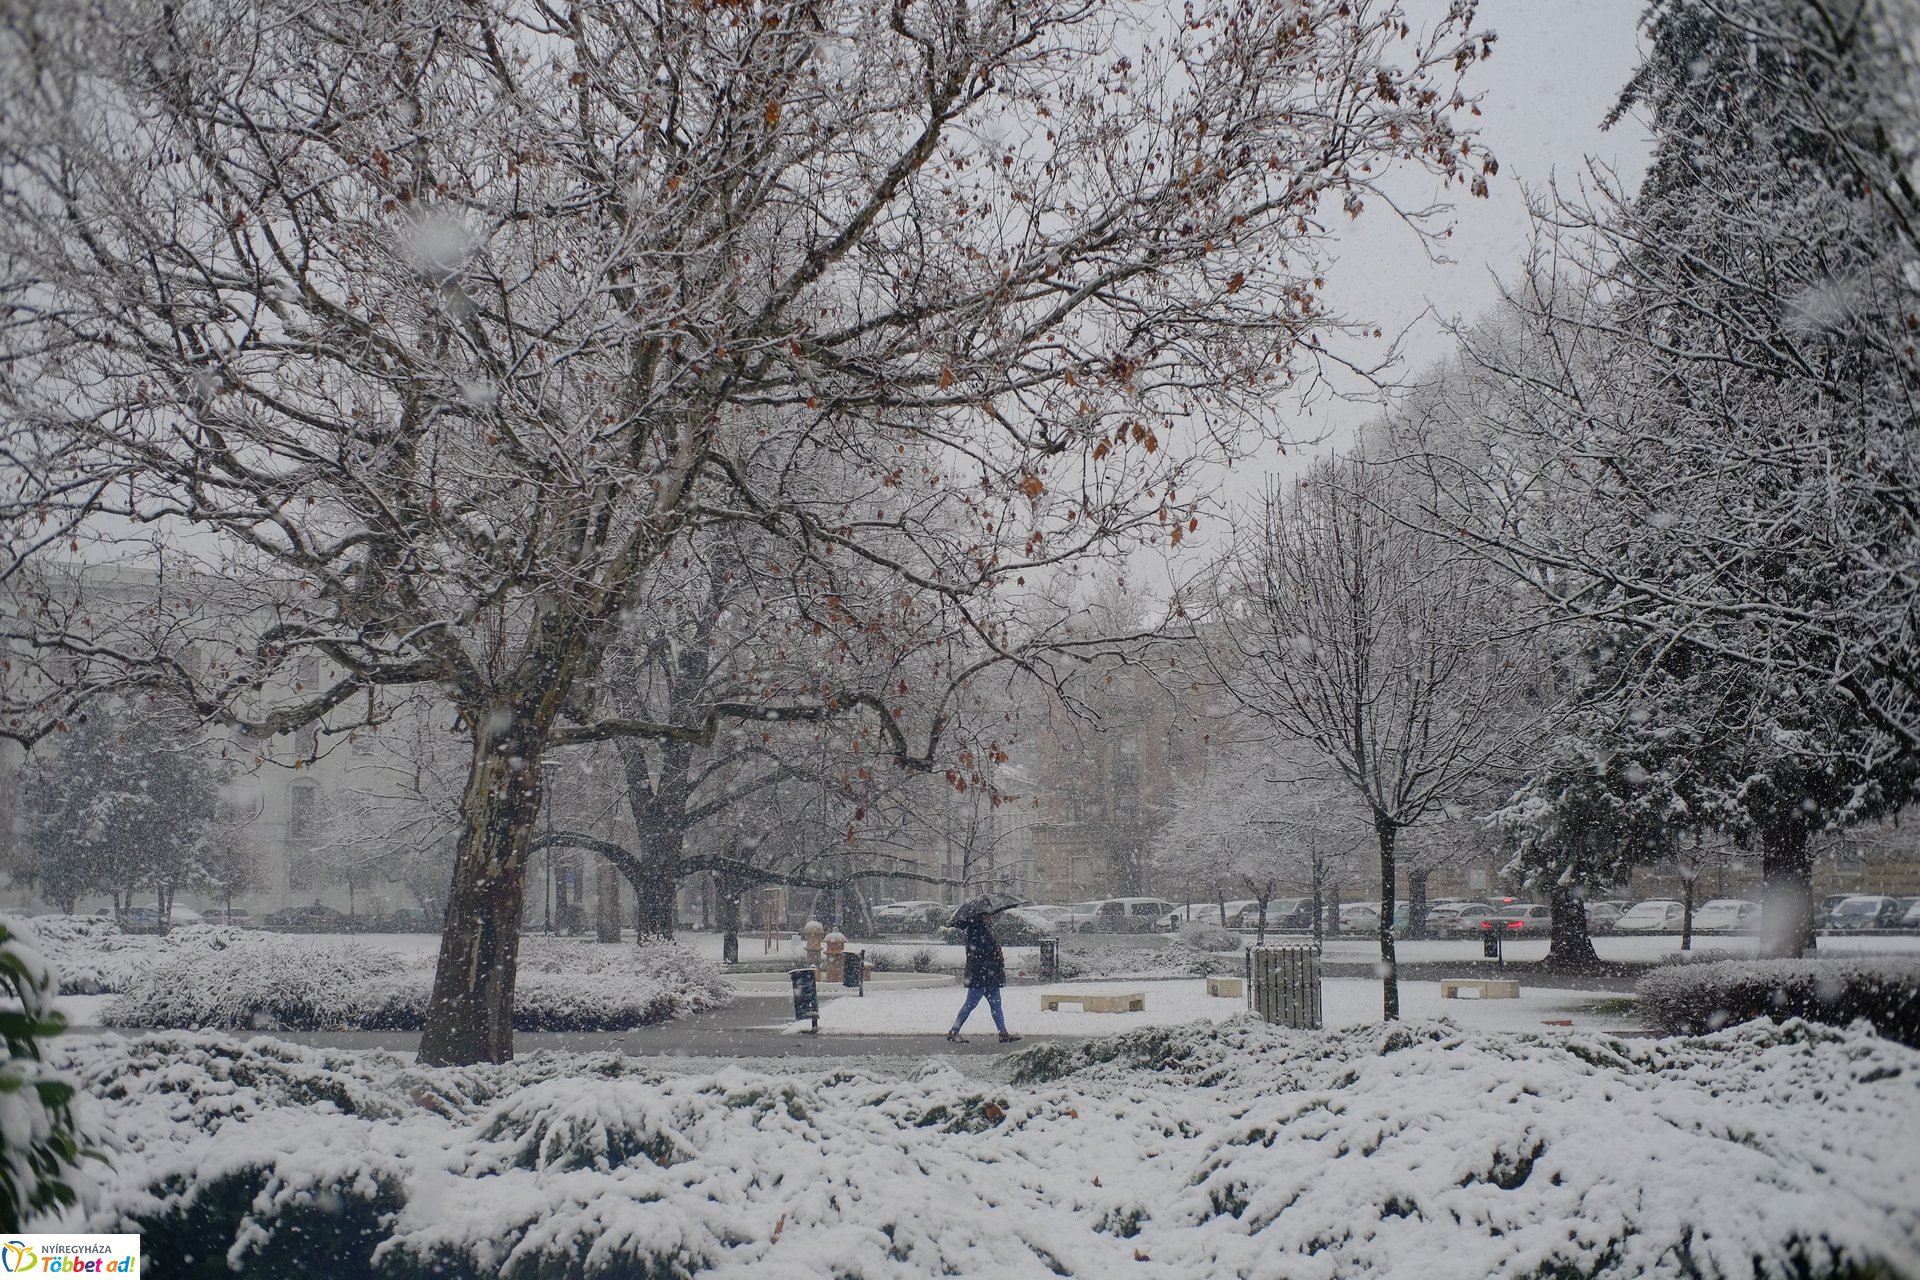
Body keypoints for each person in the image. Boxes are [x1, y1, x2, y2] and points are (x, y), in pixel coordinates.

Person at [947, 910, 1020, 1044]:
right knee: (970, 1005)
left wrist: (996, 953)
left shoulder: (983, 932)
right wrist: (995, 953)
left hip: (988, 977)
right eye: (987, 916)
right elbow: (980, 955)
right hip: (981, 977)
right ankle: (954, 1031)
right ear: (981, 918)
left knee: (995, 1005)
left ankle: (1003, 1033)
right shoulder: (977, 934)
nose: (990, 919)